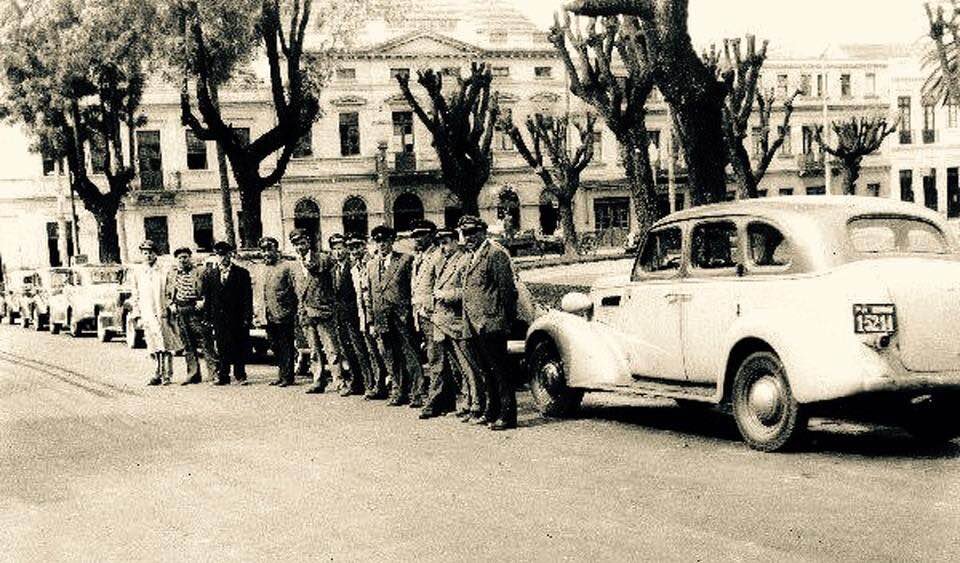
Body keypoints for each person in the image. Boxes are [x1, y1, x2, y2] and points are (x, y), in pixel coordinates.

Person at [458, 215, 519, 431]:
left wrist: (506, 321)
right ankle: (491, 411)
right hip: (474, 324)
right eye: (465, 233)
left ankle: (507, 415)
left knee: (500, 371)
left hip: (492, 322)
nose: (469, 237)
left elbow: (507, 292)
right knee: (486, 370)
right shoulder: (471, 256)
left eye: (473, 232)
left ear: (483, 231)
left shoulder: (495, 254)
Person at [421, 228, 478, 420]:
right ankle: (468, 402)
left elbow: (467, 291)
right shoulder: (443, 261)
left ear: (455, 241)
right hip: (442, 321)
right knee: (458, 367)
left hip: (456, 321)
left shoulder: (464, 260)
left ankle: (476, 403)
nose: (442, 247)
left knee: (468, 366)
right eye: (440, 244)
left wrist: (445, 295)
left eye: (445, 243)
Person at [366, 224, 423, 406]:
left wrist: (410, 314)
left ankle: (417, 393)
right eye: (378, 241)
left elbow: (413, 289)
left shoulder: (405, 260)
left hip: (401, 316)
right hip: (382, 317)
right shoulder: (372, 265)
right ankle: (399, 391)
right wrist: (372, 319)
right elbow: (370, 295)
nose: (382, 245)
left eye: (385, 241)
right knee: (390, 356)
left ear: (392, 241)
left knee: (410, 354)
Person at [289, 228, 342, 394]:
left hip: (322, 310)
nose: (299, 247)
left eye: (302, 243)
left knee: (331, 348)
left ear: (308, 242)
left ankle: (339, 381)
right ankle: (318, 380)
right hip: (305, 313)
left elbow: (323, 270)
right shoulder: (294, 266)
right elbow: (296, 290)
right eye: (296, 244)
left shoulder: (322, 258)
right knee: (313, 350)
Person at [130, 240, 181, 386]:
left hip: (162, 312)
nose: (148, 256)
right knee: (153, 346)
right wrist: (137, 314)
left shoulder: (164, 271)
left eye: (150, 252)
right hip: (147, 313)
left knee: (165, 344)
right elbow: (136, 294)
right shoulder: (138, 272)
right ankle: (157, 373)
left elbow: (171, 291)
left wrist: (169, 307)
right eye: (145, 253)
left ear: (155, 254)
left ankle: (167, 375)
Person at [202, 241, 253, 386]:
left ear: (230, 255)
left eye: (224, 254)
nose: (222, 258)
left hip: (236, 316)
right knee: (222, 346)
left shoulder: (241, 273)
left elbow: (247, 297)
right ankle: (223, 375)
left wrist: (247, 316)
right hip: (219, 317)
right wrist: (207, 316)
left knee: (239, 344)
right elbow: (208, 298)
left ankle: (240, 374)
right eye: (219, 255)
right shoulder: (210, 274)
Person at [167, 247, 218, 385]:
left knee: (205, 341)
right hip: (180, 309)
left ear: (190, 257)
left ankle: (214, 373)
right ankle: (193, 374)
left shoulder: (200, 272)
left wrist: (203, 301)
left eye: (185, 257)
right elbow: (168, 291)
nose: (183, 260)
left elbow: (209, 290)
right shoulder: (173, 273)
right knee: (188, 344)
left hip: (196, 310)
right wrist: (171, 303)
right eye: (180, 258)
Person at [347, 234, 389, 399]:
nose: (355, 250)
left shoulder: (374, 263)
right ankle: (373, 384)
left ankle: (383, 384)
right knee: (368, 352)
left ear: (365, 246)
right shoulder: (353, 269)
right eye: (351, 248)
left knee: (381, 351)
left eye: (358, 246)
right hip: (363, 315)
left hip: (377, 314)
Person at [330, 233, 371, 396]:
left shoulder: (353, 267)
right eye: (335, 249)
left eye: (341, 248)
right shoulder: (334, 269)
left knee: (360, 350)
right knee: (347, 352)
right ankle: (356, 382)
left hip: (354, 315)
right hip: (340, 316)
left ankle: (368, 383)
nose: (338, 252)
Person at [409, 219, 443, 408]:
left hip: (433, 314)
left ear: (431, 235)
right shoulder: (419, 258)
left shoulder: (437, 256)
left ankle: (435, 399)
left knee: (436, 357)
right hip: (421, 314)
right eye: (415, 236)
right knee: (433, 355)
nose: (417, 239)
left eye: (421, 235)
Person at [258, 236, 299, 387]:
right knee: (274, 345)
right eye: (263, 250)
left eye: (269, 249)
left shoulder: (287, 267)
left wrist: (292, 310)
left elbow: (295, 290)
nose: (266, 253)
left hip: (284, 313)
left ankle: (288, 376)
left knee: (286, 345)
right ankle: (281, 375)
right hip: (268, 315)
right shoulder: (263, 268)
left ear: (277, 250)